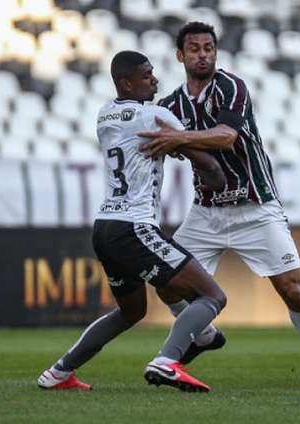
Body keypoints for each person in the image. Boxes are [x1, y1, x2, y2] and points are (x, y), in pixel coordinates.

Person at [137, 21, 300, 388]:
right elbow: (170, 148)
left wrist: (177, 137)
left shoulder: (231, 86)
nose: (203, 54)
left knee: (292, 288)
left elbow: (226, 136)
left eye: (208, 47)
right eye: (194, 48)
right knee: (167, 283)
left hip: (254, 205)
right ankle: (206, 335)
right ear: (180, 56)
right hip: (206, 212)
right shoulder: (171, 105)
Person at [37, 51, 229, 393]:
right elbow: (211, 170)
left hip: (105, 227)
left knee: (131, 311)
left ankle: (59, 372)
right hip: (134, 226)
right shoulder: (155, 115)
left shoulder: (105, 114)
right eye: (147, 75)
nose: (155, 80)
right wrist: (192, 153)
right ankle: (168, 360)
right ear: (127, 82)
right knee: (212, 296)